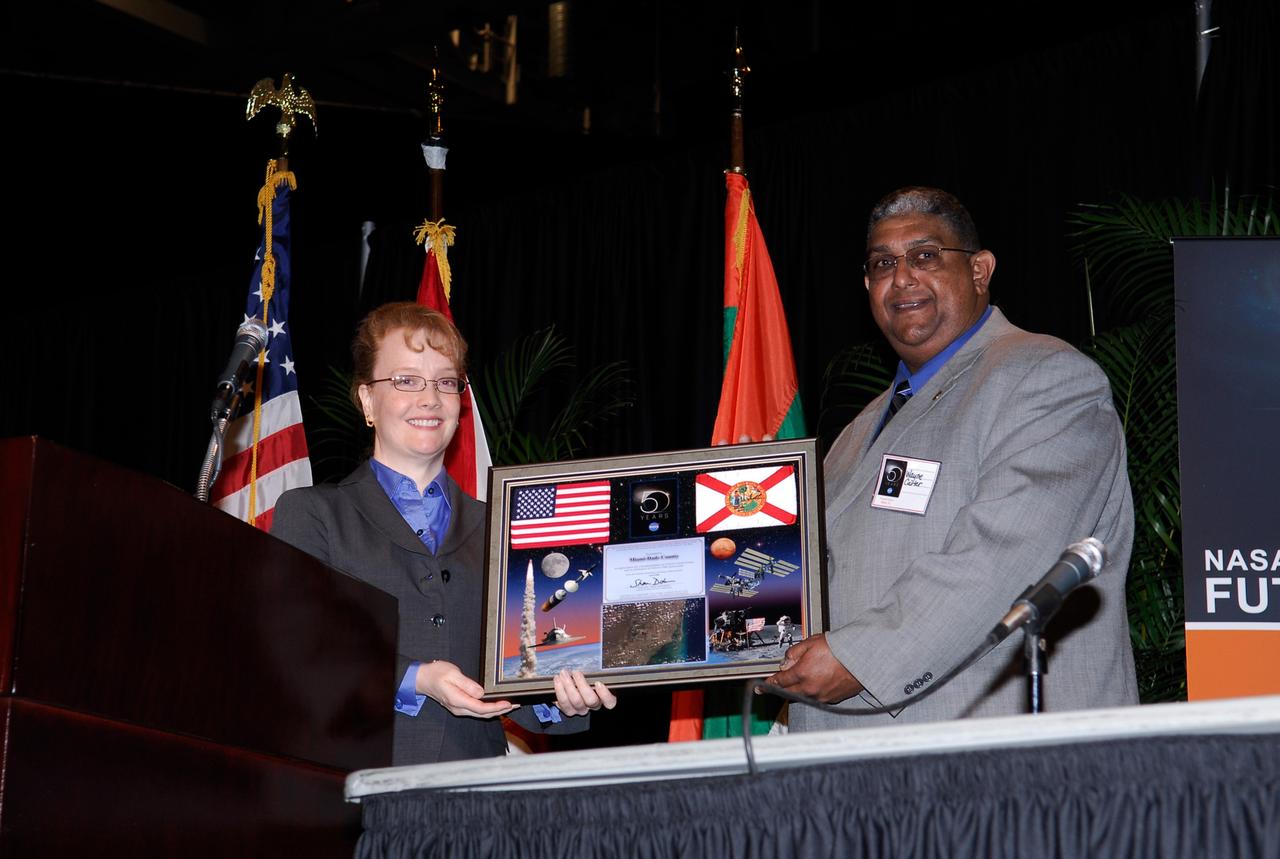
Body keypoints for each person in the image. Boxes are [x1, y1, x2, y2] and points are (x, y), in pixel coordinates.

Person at [769, 187, 1138, 728]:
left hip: (995, 760)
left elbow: (1007, 558)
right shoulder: (855, 433)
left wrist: (861, 657)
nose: (902, 278)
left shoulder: (1045, 377)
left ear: (980, 272)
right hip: (852, 769)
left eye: (925, 257)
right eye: (882, 264)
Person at [272, 302, 615, 765]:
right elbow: (294, 653)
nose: (429, 398)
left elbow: (526, 669)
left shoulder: (504, 526)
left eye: (445, 382)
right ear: (367, 401)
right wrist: (415, 679)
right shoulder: (314, 514)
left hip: (475, 800)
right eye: (406, 380)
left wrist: (563, 699)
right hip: (350, 792)